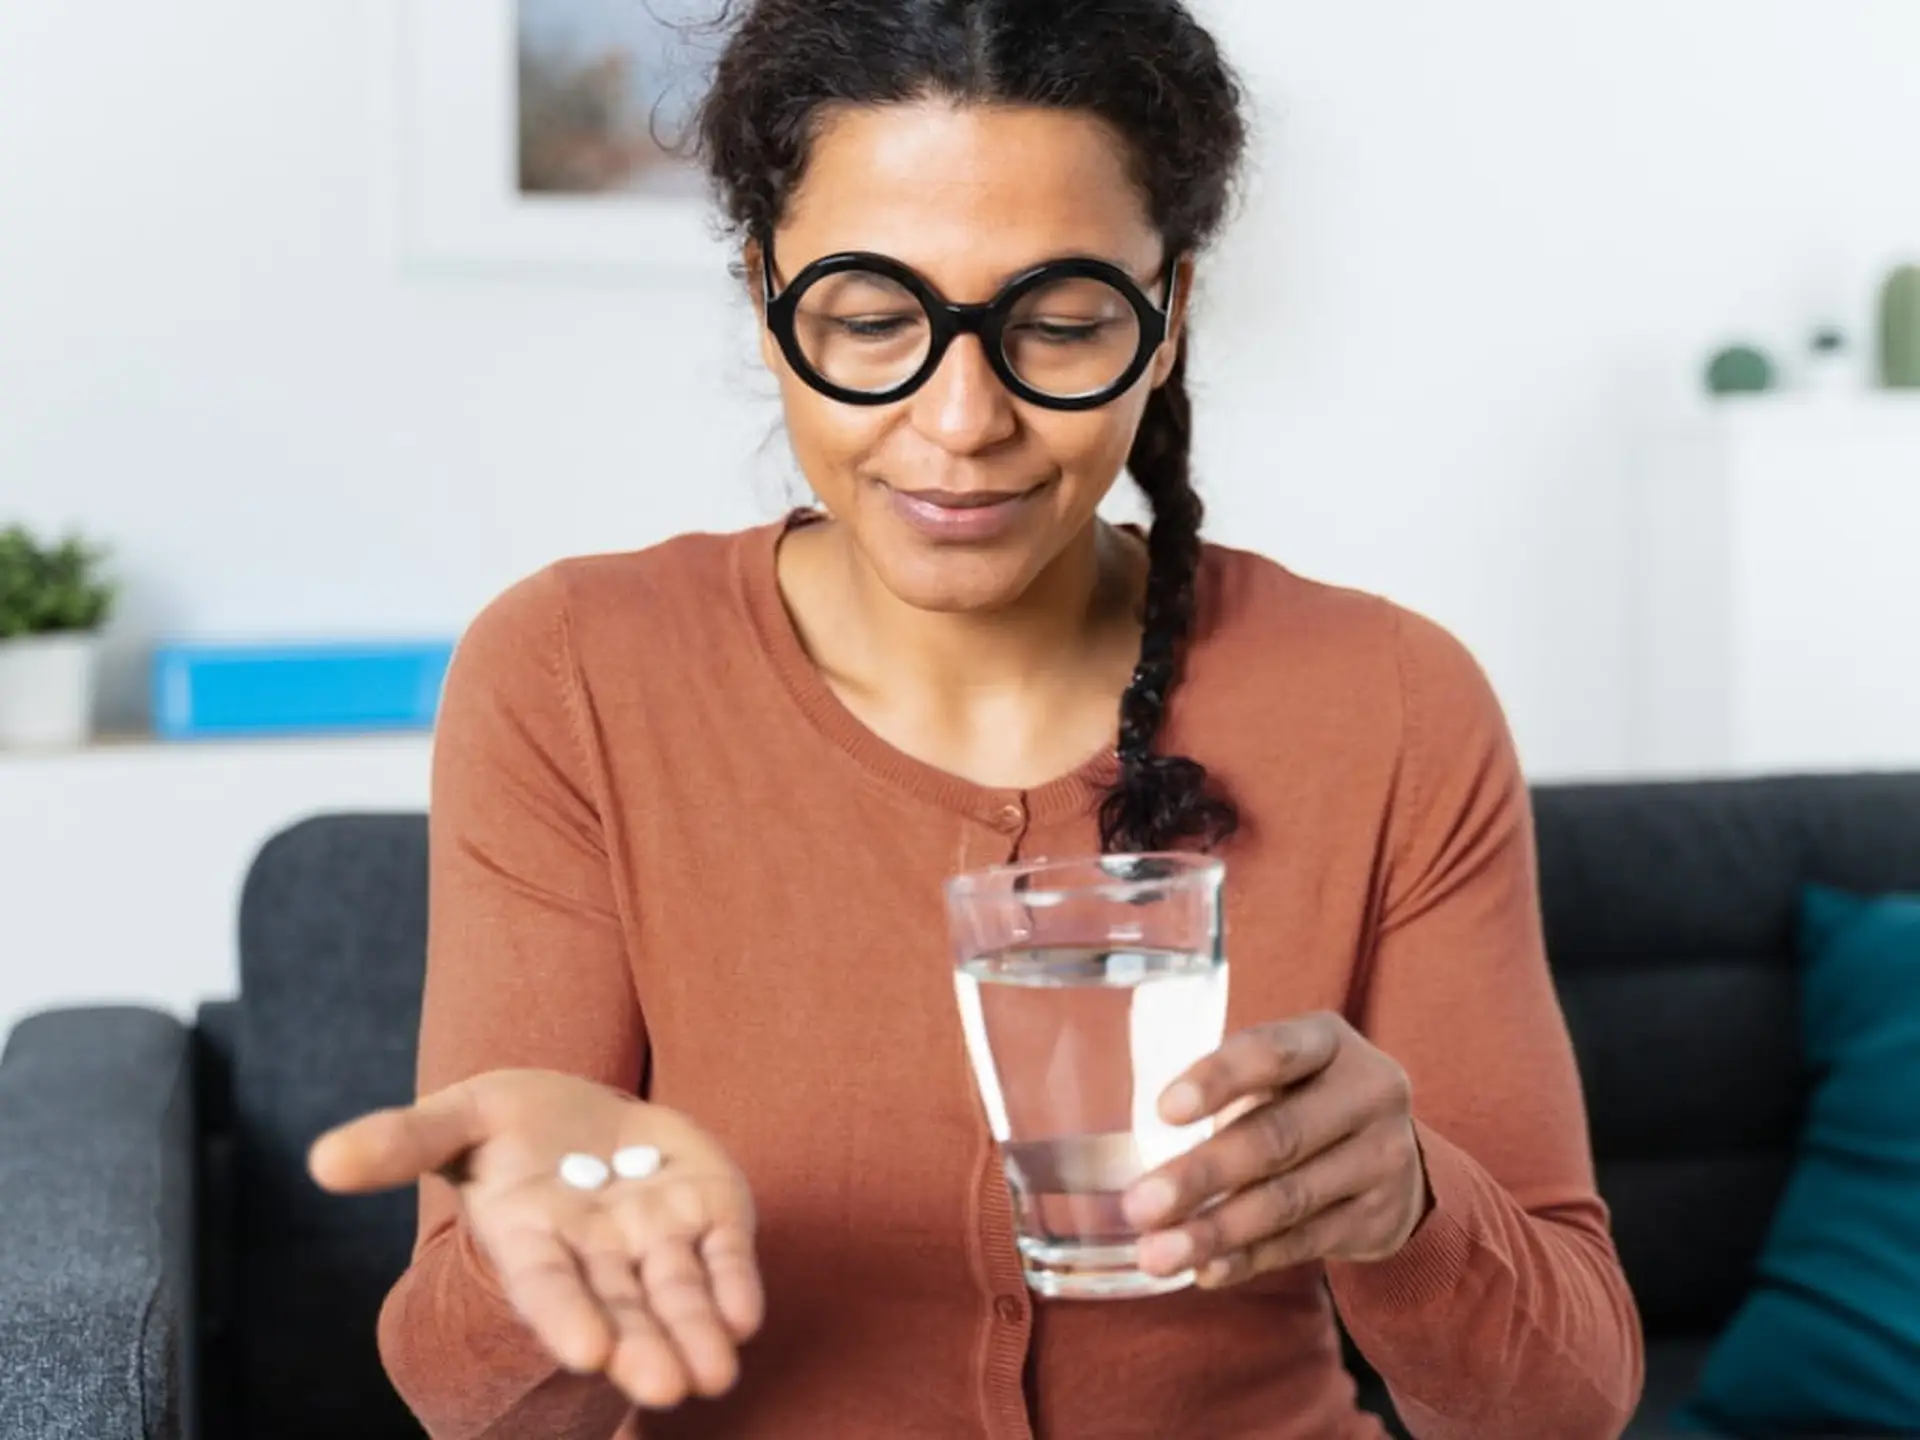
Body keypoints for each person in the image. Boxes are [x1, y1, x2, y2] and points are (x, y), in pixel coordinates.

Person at [306, 2, 1646, 1436]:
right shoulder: (572, 672)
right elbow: (470, 1413)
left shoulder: (1388, 700)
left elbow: (1565, 1407)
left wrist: (1415, 1211)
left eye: (1061, 325)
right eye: (874, 319)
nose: (959, 421)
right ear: (767, 295)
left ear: (1168, 313)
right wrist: (542, 1256)